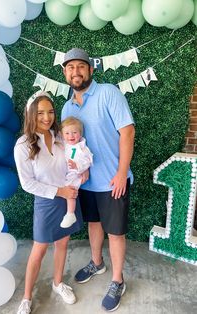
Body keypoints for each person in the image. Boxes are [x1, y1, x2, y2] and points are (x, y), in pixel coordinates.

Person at [61, 48, 135, 312]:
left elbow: (127, 132)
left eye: (81, 66)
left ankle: (117, 280)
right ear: (64, 73)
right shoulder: (67, 107)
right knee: (94, 224)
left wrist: (121, 173)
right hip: (85, 183)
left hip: (113, 180)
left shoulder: (108, 93)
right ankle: (97, 263)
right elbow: (68, 145)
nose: (76, 72)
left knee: (115, 233)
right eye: (70, 68)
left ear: (90, 69)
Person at [14, 91, 83, 314]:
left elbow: (76, 159)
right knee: (39, 250)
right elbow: (28, 184)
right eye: (41, 113)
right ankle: (26, 298)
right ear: (31, 114)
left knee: (63, 244)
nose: (47, 117)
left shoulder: (61, 137)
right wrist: (59, 191)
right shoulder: (23, 145)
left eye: (51, 112)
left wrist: (83, 171)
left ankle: (57, 283)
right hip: (47, 203)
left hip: (68, 199)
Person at [60, 116, 93, 228]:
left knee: (70, 192)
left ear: (80, 133)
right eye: (67, 133)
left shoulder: (82, 148)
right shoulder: (64, 144)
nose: (71, 136)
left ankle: (70, 213)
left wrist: (77, 166)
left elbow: (88, 160)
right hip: (63, 173)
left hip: (75, 175)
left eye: (74, 132)